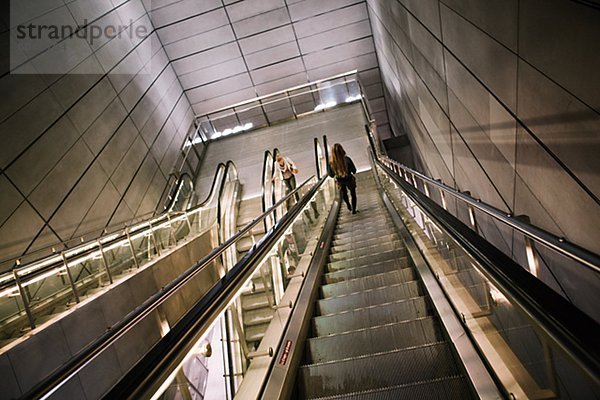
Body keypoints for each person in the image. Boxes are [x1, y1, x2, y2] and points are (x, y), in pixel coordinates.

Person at [328, 143, 358, 214]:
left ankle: (348, 204)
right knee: (353, 194)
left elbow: (331, 175)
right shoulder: (347, 159)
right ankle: (354, 210)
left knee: (344, 193)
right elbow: (354, 170)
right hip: (349, 179)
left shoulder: (331, 163)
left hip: (339, 181)